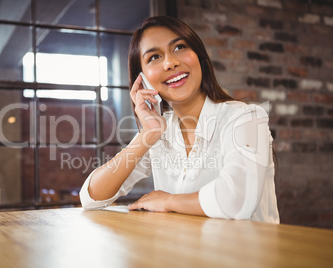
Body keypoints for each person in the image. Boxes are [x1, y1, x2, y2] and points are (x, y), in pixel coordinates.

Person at [79, 16, 280, 223]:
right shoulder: (160, 133)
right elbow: (91, 197)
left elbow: (238, 200)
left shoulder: (244, 118)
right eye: (154, 57)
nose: (170, 62)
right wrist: (147, 135)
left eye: (179, 47)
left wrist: (168, 201)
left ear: (199, 56)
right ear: (144, 79)